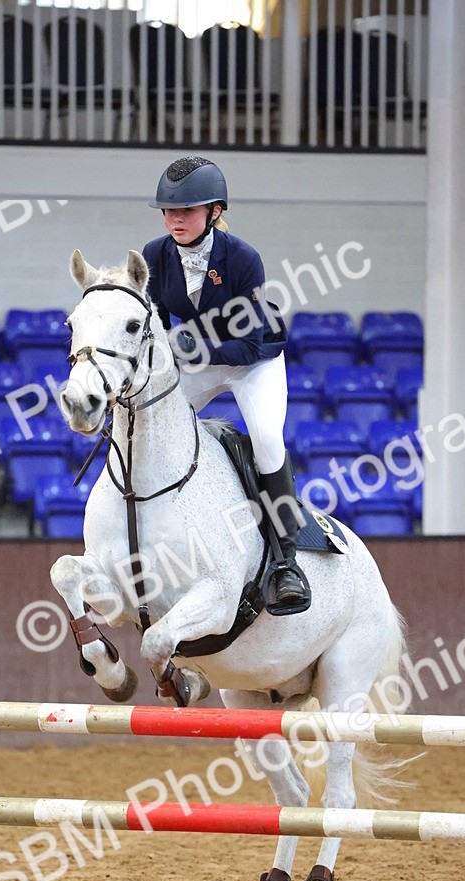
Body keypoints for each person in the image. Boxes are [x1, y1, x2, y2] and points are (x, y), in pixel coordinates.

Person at [141, 156, 310, 616]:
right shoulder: (155, 254)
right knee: (153, 423)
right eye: (169, 210)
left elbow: (248, 345)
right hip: (202, 360)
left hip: (253, 362)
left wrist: (189, 347)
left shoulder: (243, 259)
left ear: (215, 211)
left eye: (187, 210)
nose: (175, 219)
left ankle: (286, 562)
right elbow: (158, 327)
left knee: (267, 440)